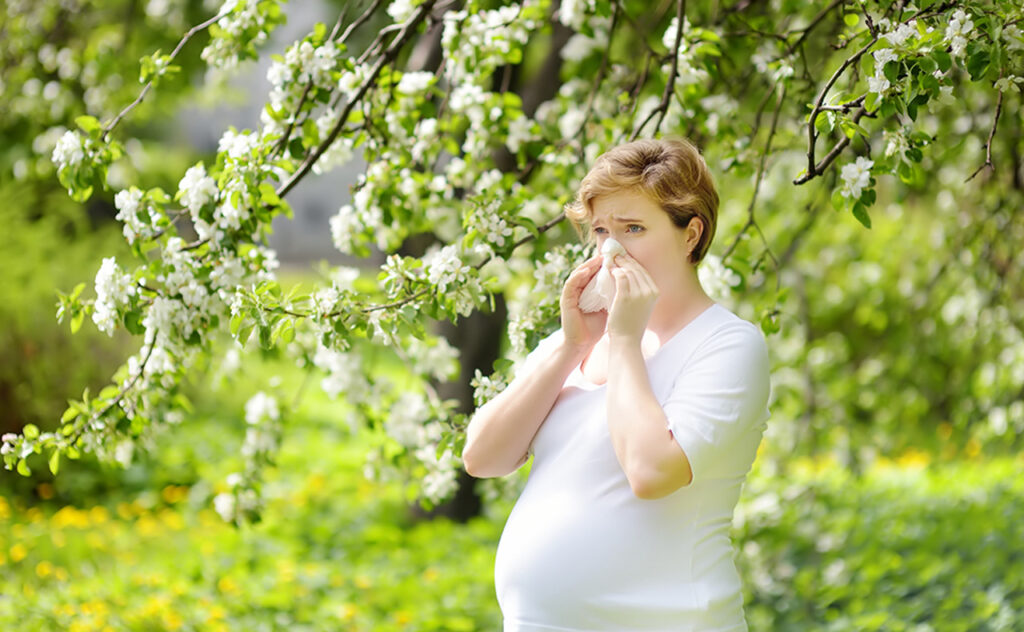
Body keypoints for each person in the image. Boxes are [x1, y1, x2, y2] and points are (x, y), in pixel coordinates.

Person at [462, 138, 771, 632]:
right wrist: (572, 346)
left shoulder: (727, 345)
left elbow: (651, 472)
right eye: (602, 230)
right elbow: (482, 458)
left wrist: (625, 340)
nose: (611, 249)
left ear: (691, 235)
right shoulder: (579, 340)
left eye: (633, 228)